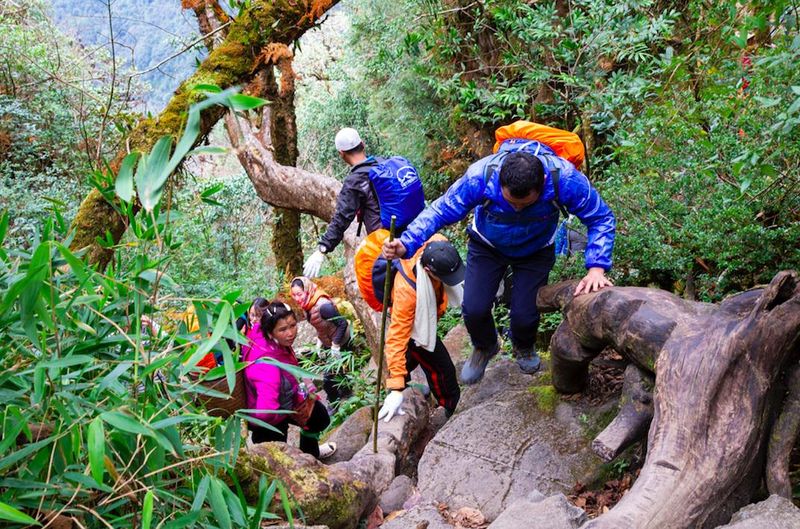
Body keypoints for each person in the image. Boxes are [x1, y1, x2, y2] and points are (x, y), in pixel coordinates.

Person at [383, 144, 616, 385]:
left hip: (536, 249)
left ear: (543, 183)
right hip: (487, 245)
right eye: (511, 202)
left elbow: (600, 216)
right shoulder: (481, 176)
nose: (517, 208)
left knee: (525, 315)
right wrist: (406, 243)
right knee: (474, 309)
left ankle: (523, 346)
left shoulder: (564, 180)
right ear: (499, 181)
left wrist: (596, 267)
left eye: (525, 204)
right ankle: (485, 346)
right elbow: (441, 210)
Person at [377, 236, 464, 422]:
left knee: (410, 361)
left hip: (424, 320)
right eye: (445, 278)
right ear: (428, 271)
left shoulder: (438, 243)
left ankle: (400, 386)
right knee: (443, 369)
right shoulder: (406, 292)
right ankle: (451, 408)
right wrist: (396, 388)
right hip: (414, 329)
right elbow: (396, 338)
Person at [242, 301, 336, 459]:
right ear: (270, 332)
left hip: (284, 399)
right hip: (269, 421)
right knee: (278, 459)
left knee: (318, 417)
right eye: (283, 329)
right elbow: (266, 413)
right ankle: (304, 463)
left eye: (293, 325)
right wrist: (287, 414)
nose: (291, 333)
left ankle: (310, 454)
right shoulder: (267, 367)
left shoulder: (266, 335)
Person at [302, 127, 383, 277]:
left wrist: (322, 249)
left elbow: (341, 218)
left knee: (369, 279)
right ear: (363, 144)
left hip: (384, 241)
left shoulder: (355, 181)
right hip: (409, 229)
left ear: (341, 154)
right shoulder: (383, 163)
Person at [290, 276, 353, 406]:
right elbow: (321, 325)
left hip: (341, 341)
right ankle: (346, 396)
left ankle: (334, 403)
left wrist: (336, 345)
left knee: (328, 379)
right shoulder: (308, 305)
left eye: (299, 294)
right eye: (294, 295)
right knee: (339, 372)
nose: (297, 298)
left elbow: (342, 323)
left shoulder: (323, 306)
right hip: (328, 341)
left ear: (307, 290)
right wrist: (320, 342)